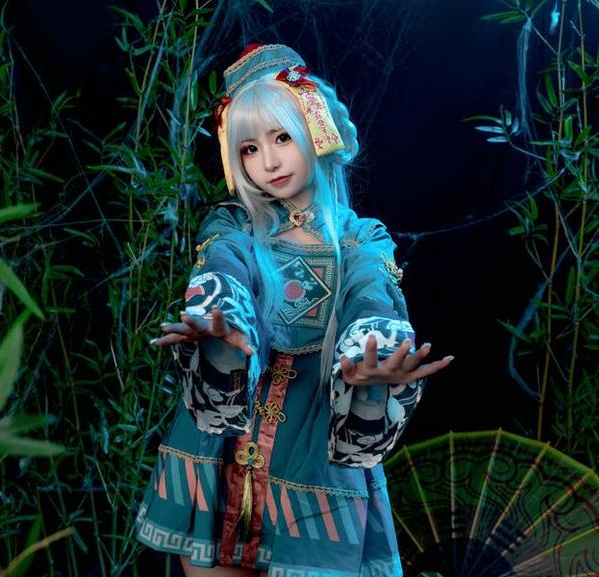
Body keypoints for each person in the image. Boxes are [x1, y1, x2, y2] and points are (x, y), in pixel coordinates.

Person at [135, 44, 452, 577]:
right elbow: (224, 265)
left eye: (281, 137)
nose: (269, 162)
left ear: (317, 131)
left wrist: (371, 354)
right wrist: (221, 320)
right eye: (249, 148)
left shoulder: (360, 239)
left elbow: (371, 293)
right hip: (219, 448)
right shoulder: (232, 227)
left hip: (314, 461)